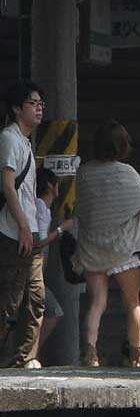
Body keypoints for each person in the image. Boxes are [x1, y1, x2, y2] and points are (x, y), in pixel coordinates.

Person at [73, 120, 140, 368]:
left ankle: (90, 354)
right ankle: (137, 356)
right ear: (121, 145)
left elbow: (81, 209)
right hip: (123, 249)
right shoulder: (126, 172)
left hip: (92, 248)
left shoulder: (84, 173)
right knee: (132, 303)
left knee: (96, 303)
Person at [0, 81, 45, 368]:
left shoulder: (25, 141)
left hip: (31, 230)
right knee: (10, 300)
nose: (39, 108)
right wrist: (24, 228)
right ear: (17, 109)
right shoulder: (9, 138)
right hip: (14, 232)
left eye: (41, 103)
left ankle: (25, 357)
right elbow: (7, 185)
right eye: (33, 103)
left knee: (35, 298)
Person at [34, 168, 73, 353]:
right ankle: (30, 354)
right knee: (53, 311)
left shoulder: (43, 208)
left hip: (36, 275)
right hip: (32, 274)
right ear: (50, 186)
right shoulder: (40, 207)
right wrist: (61, 229)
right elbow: (40, 241)